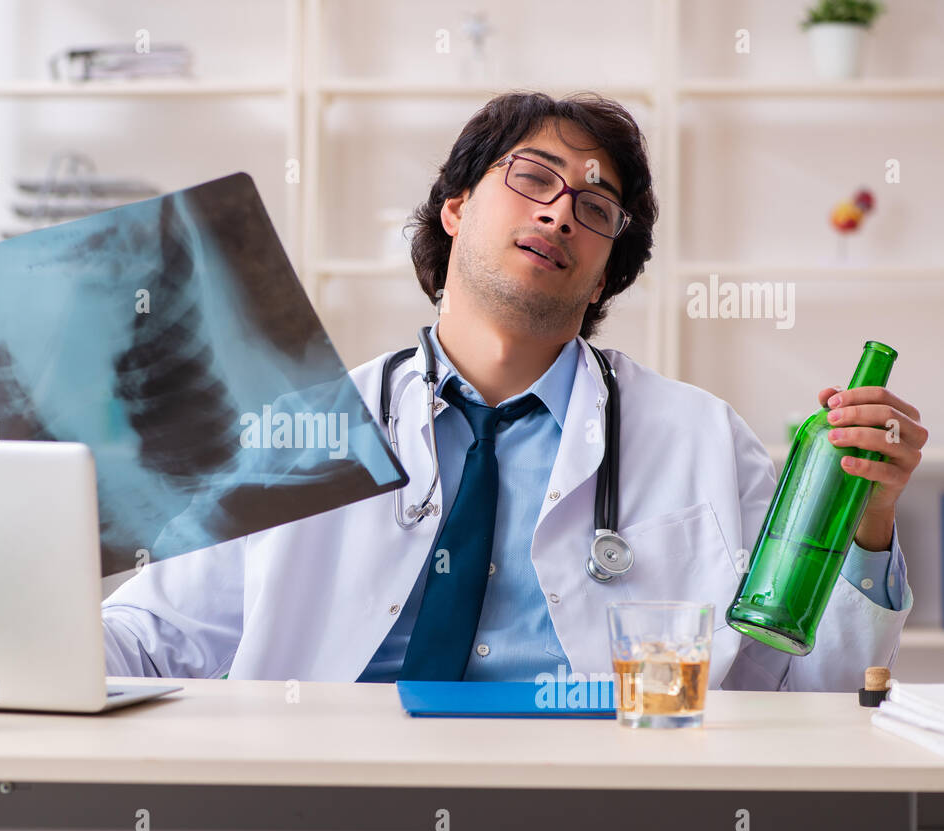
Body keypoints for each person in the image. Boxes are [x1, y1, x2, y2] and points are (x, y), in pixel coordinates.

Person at [100, 90, 927, 691]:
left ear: (606, 272)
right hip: (331, 803)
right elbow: (151, 635)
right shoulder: (306, 430)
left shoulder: (701, 437)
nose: (563, 212)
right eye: (534, 178)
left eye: (598, 206)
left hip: (604, 816)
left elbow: (814, 692)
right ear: (455, 208)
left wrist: (870, 527)